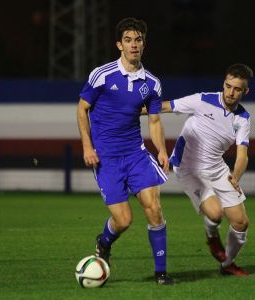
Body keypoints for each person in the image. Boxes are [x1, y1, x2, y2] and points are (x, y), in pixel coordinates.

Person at [77, 17, 174, 285]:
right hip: (106, 158)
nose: (134, 45)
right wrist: (87, 145)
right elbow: (82, 108)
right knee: (124, 219)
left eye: (138, 40)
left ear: (144, 44)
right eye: (128, 40)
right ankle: (104, 241)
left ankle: (161, 273)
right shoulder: (102, 75)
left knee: (154, 208)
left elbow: (154, 120)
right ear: (119, 44)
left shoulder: (152, 83)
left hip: (136, 154)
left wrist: (162, 151)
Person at [145, 63, 253, 275]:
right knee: (215, 213)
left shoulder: (243, 118)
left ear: (245, 91)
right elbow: (164, 106)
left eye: (237, 89)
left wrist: (236, 176)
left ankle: (227, 264)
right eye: (228, 86)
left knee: (241, 222)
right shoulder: (202, 100)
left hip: (218, 169)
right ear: (223, 83)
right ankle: (212, 236)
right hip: (188, 168)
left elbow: (243, 155)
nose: (230, 92)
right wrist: (124, 112)